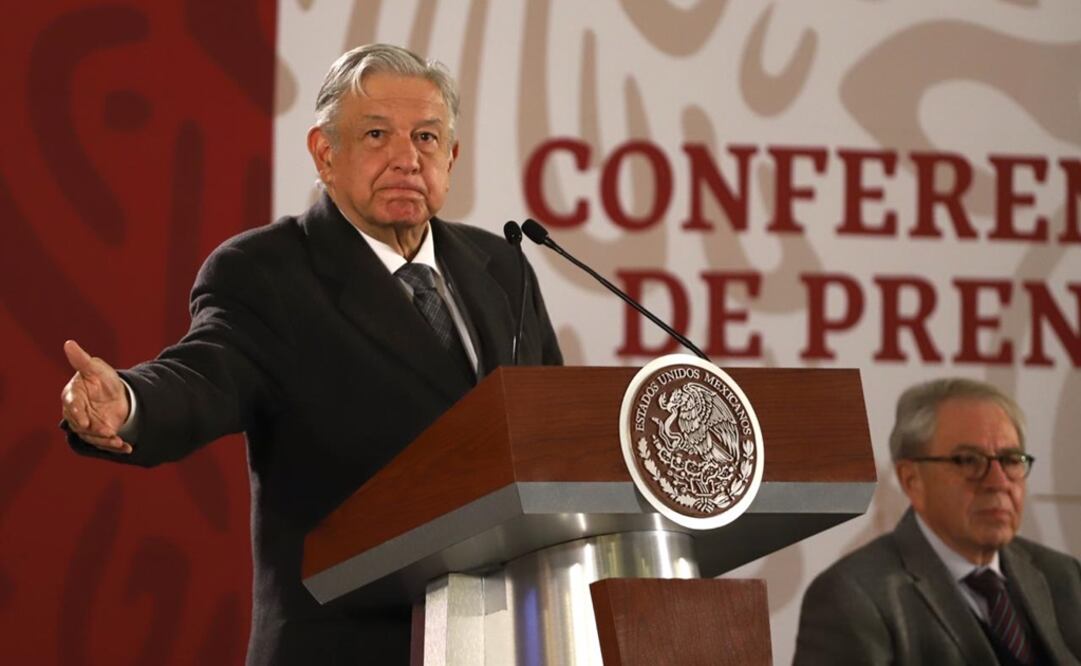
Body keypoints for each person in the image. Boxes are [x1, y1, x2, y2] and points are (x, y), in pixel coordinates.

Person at [59, 43, 562, 664]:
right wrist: (130, 401)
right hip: (346, 645)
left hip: (505, 641)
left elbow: (553, 433)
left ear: (451, 157)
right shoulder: (267, 272)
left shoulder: (502, 268)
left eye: (427, 138)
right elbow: (204, 373)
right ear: (326, 154)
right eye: (376, 135)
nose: (407, 158)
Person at [794, 377, 1081, 665]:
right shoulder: (852, 598)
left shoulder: (1064, 576)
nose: (998, 482)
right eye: (968, 460)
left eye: (1010, 459)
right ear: (912, 480)